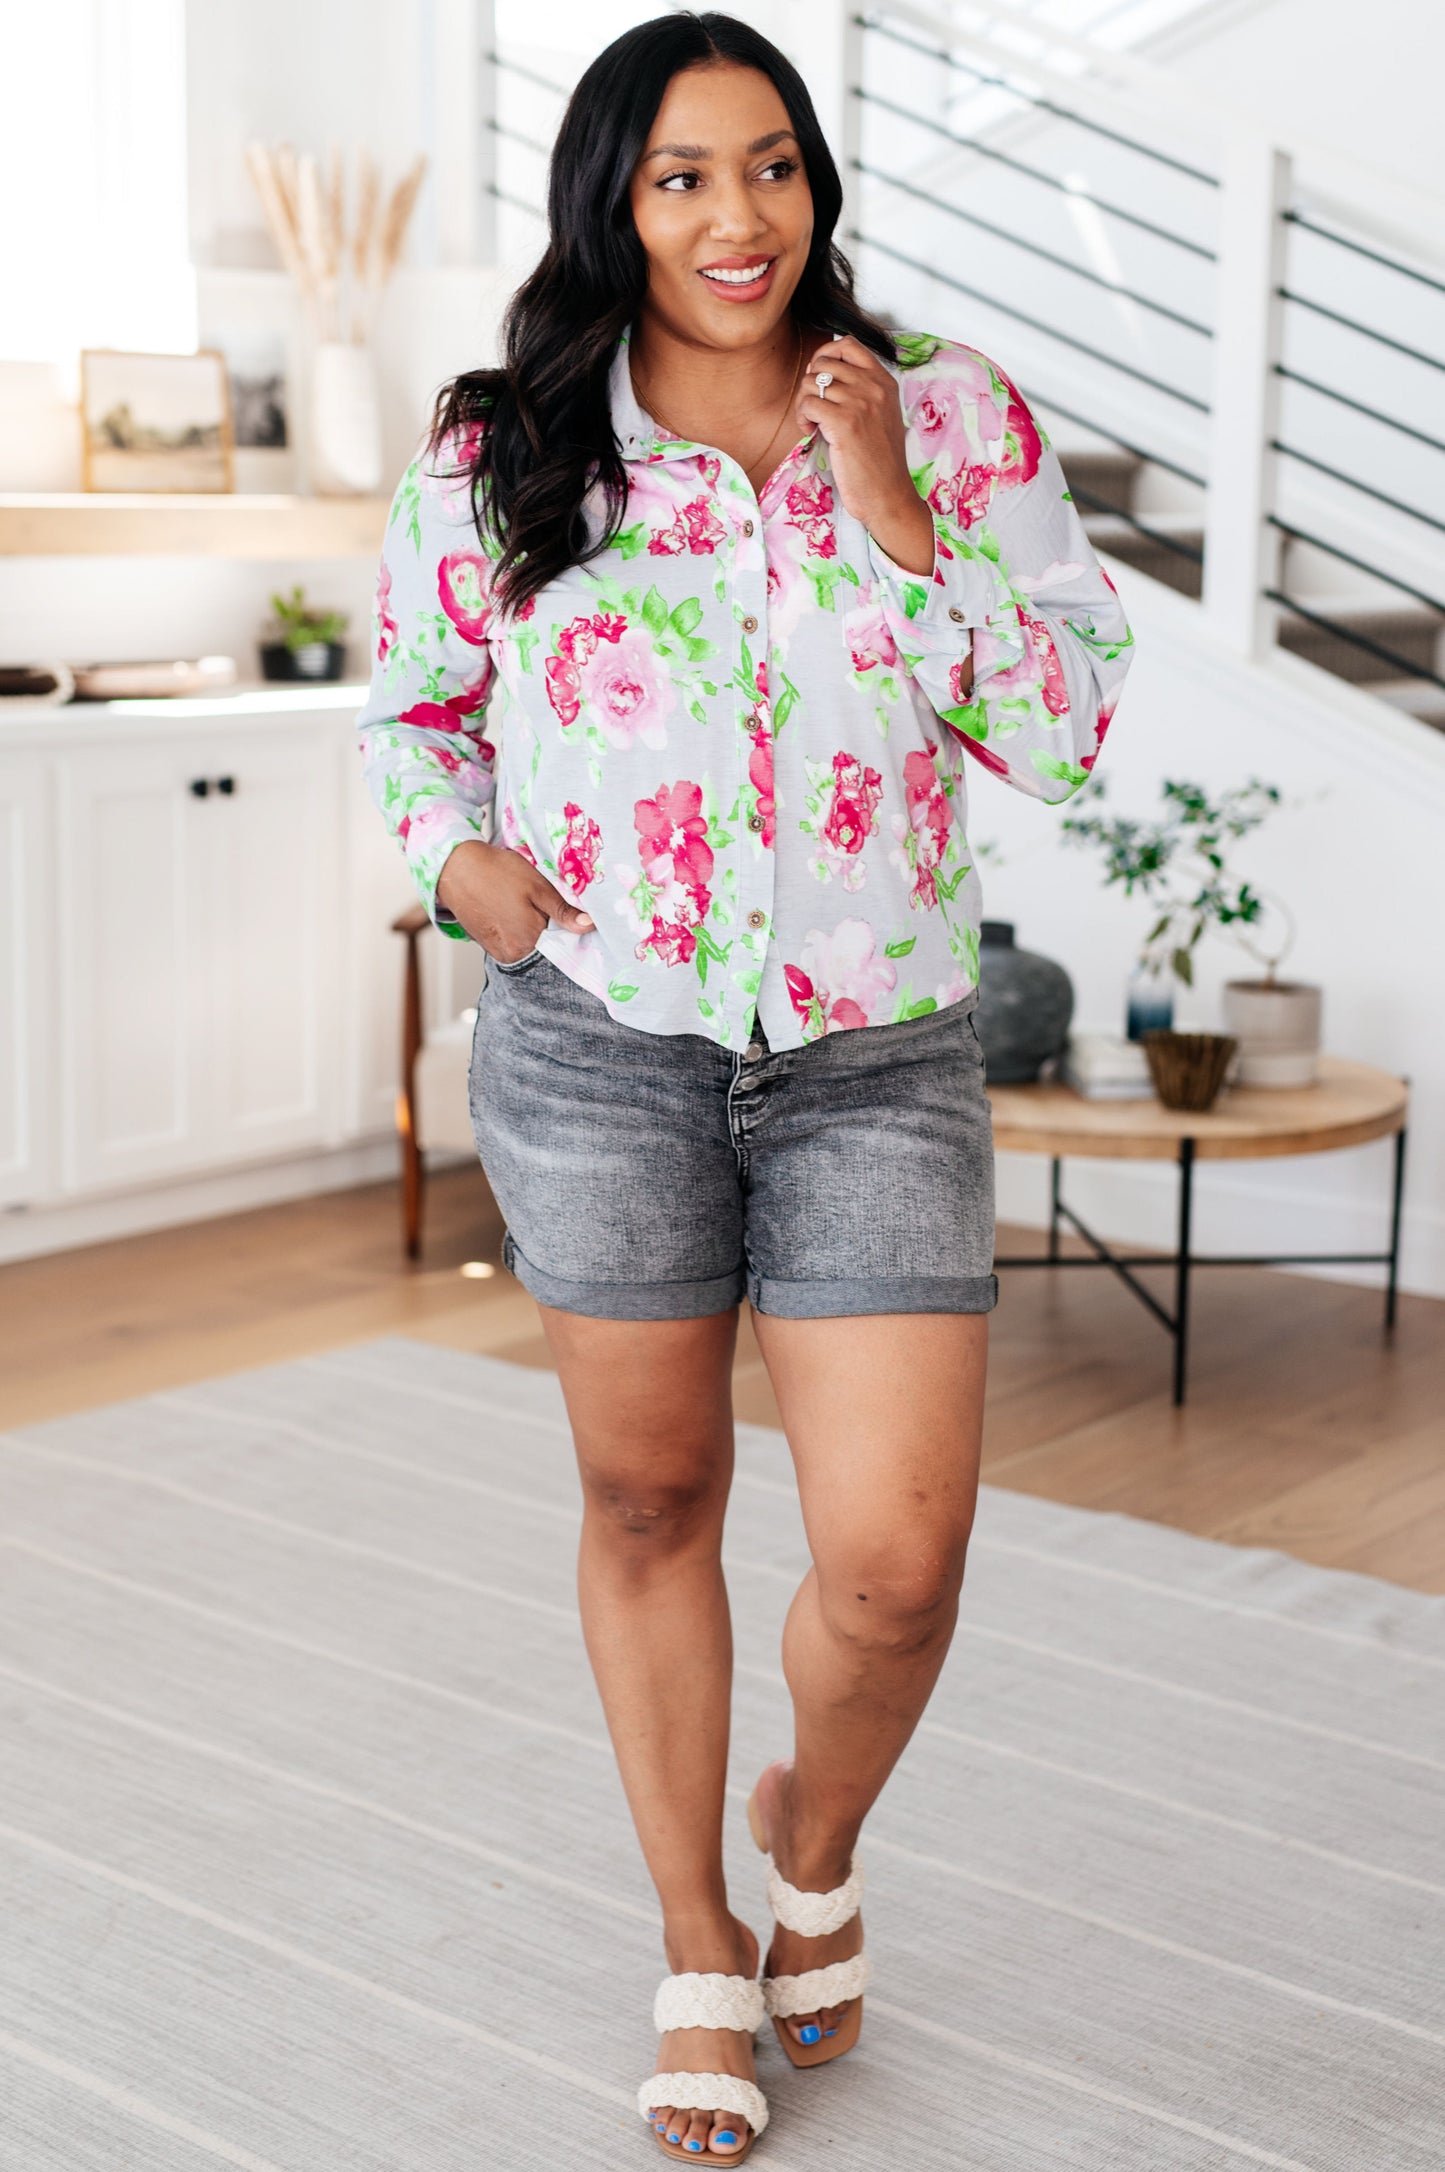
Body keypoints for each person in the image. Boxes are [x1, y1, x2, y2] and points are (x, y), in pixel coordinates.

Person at [356, 12, 1134, 2159]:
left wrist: (889, 515)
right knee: (650, 1500)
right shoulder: (500, 443)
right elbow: (410, 719)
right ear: (615, 194)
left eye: (771, 165)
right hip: (596, 1041)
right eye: (685, 173)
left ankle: (813, 1829)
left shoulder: (951, 418)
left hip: (875, 1049)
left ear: (819, 184)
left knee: (894, 1561)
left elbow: (1067, 726)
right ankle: (702, 1936)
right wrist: (465, 870)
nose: (737, 216)